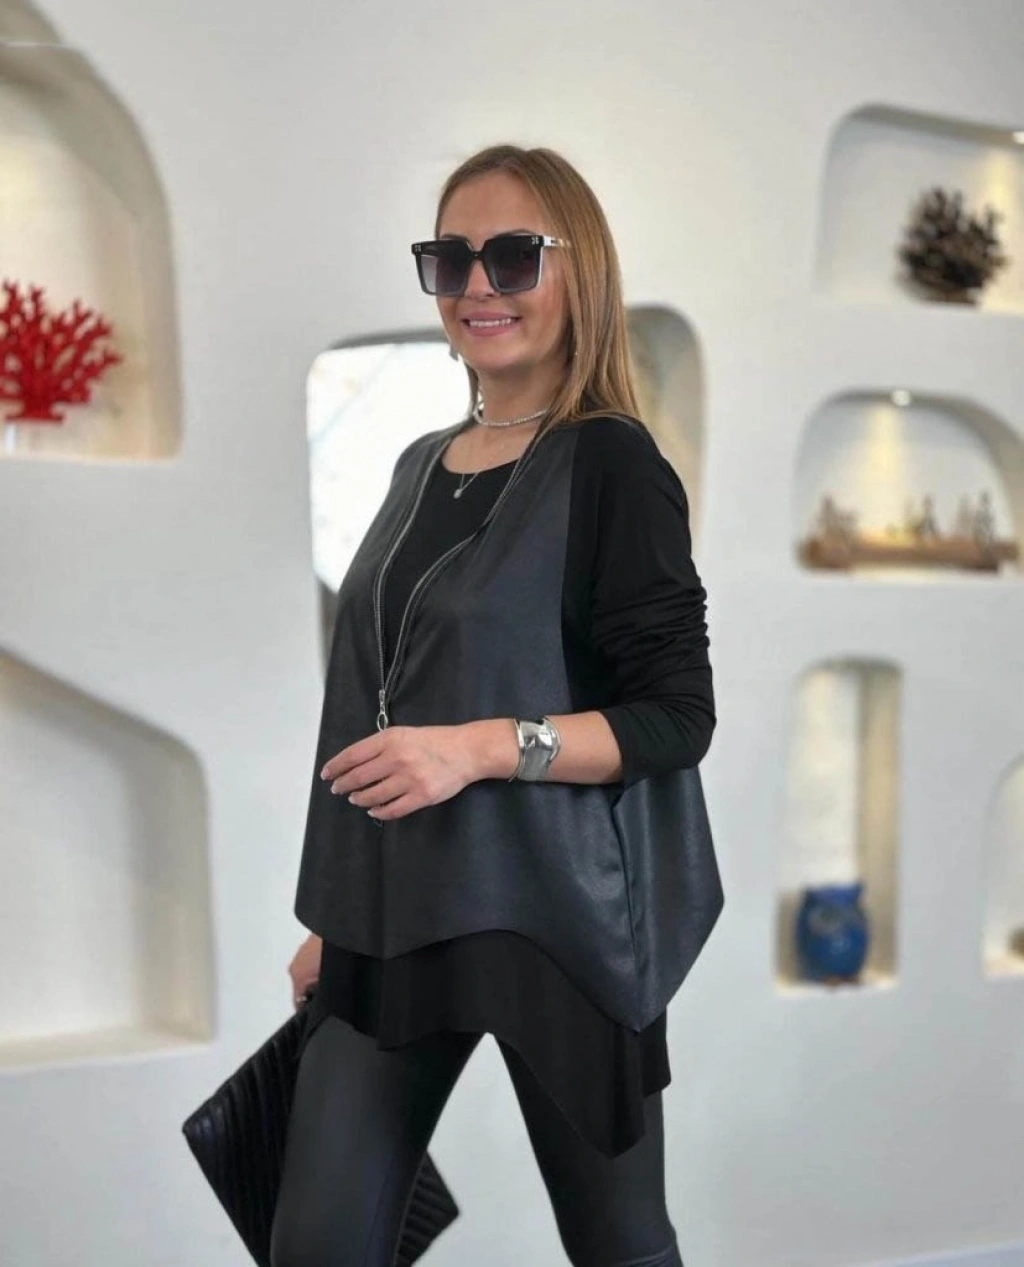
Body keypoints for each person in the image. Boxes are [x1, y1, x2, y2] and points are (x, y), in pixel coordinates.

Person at [270, 144, 720, 1267]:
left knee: (619, 1245)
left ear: (580, 273)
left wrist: (479, 748)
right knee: (317, 1243)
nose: (479, 285)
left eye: (515, 256)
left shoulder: (612, 465)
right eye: (451, 258)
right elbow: (382, 694)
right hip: (396, 910)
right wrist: (338, 911)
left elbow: (676, 718)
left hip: (558, 921)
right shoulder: (419, 465)